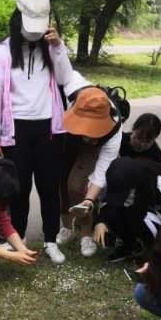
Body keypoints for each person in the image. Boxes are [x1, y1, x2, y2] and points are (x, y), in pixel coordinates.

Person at [0, 0, 73, 265]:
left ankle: (50, 240)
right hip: (16, 130)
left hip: (49, 129)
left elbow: (65, 78)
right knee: (19, 189)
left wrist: (58, 47)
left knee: (49, 187)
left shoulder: (52, 48)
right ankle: (18, 238)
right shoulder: (1, 53)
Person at [57, 72, 123, 258]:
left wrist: (89, 200)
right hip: (66, 135)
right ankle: (67, 227)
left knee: (78, 186)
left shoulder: (114, 131)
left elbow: (101, 173)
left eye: (92, 130)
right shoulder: (68, 90)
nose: (87, 133)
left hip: (94, 148)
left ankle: (86, 235)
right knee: (61, 181)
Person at [95, 156, 161, 262]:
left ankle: (154, 252)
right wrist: (101, 221)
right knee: (112, 211)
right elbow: (108, 202)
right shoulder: (117, 176)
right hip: (139, 209)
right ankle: (131, 246)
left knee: (150, 221)